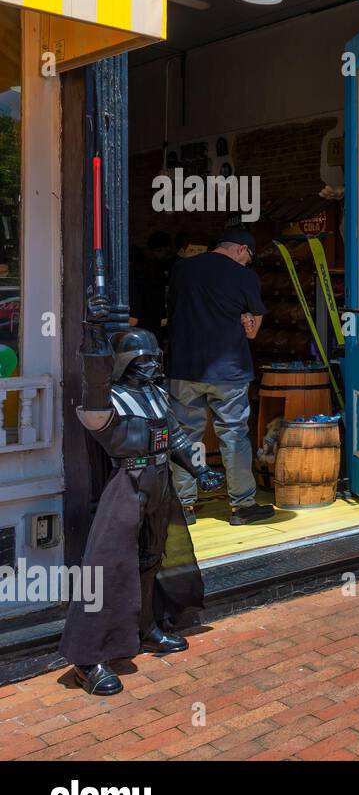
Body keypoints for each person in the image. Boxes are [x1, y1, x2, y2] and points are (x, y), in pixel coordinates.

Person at [61, 293, 221, 695]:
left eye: (155, 357)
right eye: (142, 359)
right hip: (126, 486)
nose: (152, 364)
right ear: (123, 363)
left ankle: (146, 627)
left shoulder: (156, 395)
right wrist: (93, 331)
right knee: (106, 567)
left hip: (159, 483)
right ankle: (89, 658)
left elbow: (177, 436)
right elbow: (95, 375)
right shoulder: (106, 400)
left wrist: (200, 470)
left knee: (151, 559)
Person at [167, 227, 274, 526]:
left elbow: (172, 312)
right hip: (229, 370)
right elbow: (252, 331)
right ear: (241, 250)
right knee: (234, 436)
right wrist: (247, 323)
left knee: (185, 436)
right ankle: (242, 507)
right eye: (248, 259)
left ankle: (184, 508)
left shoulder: (181, 269)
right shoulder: (244, 276)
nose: (246, 264)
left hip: (184, 366)